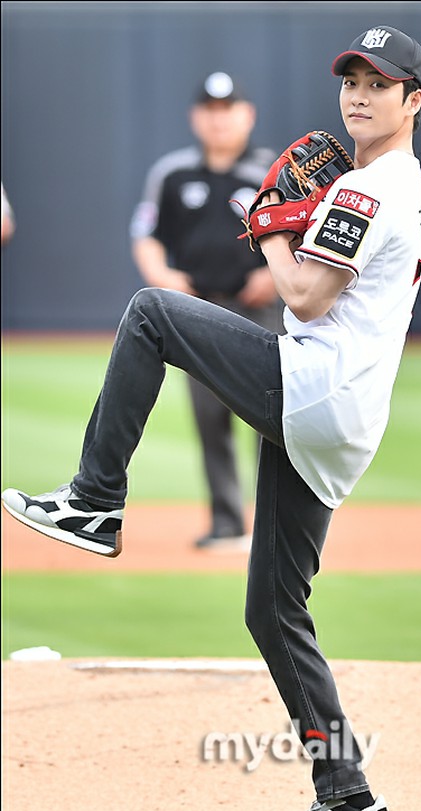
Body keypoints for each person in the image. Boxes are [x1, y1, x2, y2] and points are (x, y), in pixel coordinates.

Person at [2, 24, 421, 811]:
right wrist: (289, 222)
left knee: (152, 311)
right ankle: (349, 799)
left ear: (413, 100)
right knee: (274, 611)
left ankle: (94, 500)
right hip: (344, 416)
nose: (359, 96)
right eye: (351, 80)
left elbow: (303, 299)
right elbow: (328, 295)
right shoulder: (394, 184)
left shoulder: (372, 188)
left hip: (314, 387)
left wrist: (267, 221)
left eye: (379, 85)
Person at [130, 71, 284, 550]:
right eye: (210, 111)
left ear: (247, 115)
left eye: (229, 110)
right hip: (199, 309)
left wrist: (276, 276)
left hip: (259, 309)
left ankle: (278, 528)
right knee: (208, 415)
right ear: (197, 117)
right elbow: (147, 233)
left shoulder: (270, 172)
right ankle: (226, 522)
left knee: (274, 418)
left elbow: (302, 236)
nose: (219, 121)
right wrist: (161, 277)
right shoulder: (173, 173)